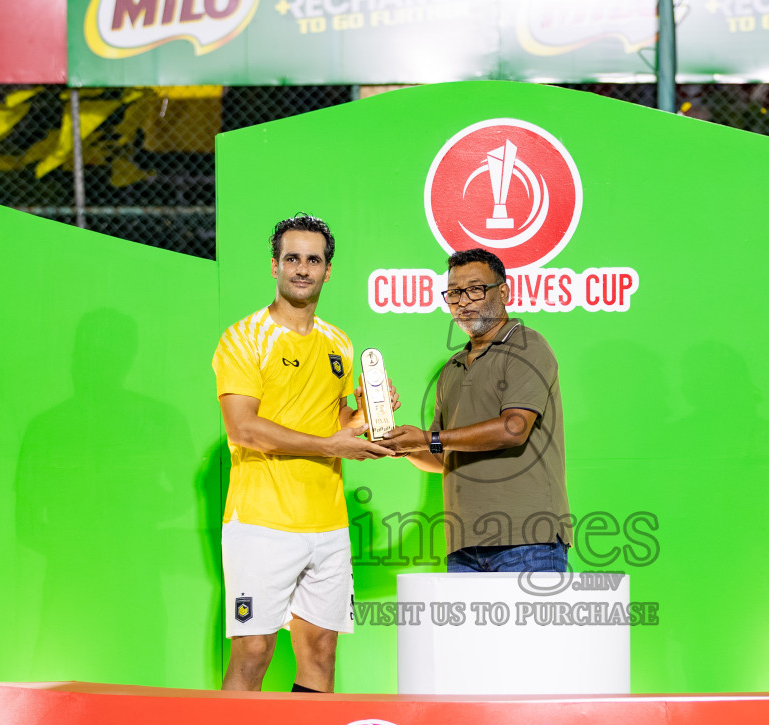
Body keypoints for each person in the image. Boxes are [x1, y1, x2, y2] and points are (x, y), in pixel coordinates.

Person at [213, 214, 394, 692]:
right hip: (261, 522)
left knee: (320, 654)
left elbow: (332, 420)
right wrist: (331, 446)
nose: (302, 268)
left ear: (327, 271)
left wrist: (365, 416)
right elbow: (243, 427)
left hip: (328, 524)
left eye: (313, 260)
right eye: (292, 258)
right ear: (274, 265)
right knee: (253, 653)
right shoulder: (244, 338)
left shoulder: (339, 342)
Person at [385, 248, 571, 573]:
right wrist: (402, 446)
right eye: (454, 293)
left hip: (527, 539)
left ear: (504, 292)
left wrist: (428, 438)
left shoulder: (527, 347)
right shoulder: (452, 368)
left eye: (475, 289)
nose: (463, 301)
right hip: (464, 546)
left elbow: (514, 428)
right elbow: (441, 456)